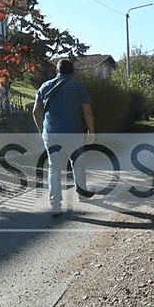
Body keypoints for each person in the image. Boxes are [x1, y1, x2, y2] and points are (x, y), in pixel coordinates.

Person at [32, 58, 95, 215]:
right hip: (74, 134)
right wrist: (91, 131)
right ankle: (81, 194)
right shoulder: (78, 87)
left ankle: (55, 205)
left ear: (57, 70)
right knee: (78, 163)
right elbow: (87, 112)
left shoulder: (45, 86)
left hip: (52, 134)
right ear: (73, 71)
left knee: (54, 168)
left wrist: (41, 130)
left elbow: (35, 112)